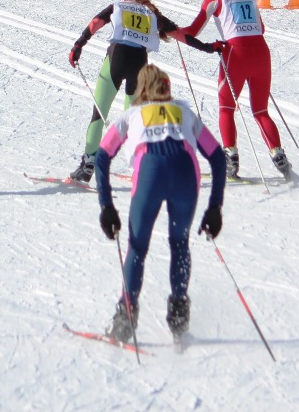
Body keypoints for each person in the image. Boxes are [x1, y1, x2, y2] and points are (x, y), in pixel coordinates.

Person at [93, 64, 227, 344]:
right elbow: (217, 156)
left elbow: (102, 156)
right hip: (185, 174)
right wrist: (215, 207)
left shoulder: (131, 114)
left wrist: (107, 206)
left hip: (150, 174)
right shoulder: (184, 112)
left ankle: (125, 319)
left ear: (140, 89)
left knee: (138, 247)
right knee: (179, 243)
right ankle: (179, 319)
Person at [65, 0, 217, 184]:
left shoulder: (118, 6)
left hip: (116, 60)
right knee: (134, 119)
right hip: (139, 64)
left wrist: (77, 46)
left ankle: (88, 164)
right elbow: (181, 35)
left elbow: (95, 24)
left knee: (99, 114)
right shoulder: (152, 13)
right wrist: (208, 48)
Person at [179, 0, 292, 179]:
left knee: (227, 108)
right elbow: (261, 28)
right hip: (261, 52)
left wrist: (171, 31)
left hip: (235, 53)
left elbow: (193, 30)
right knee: (261, 111)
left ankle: (231, 158)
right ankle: (278, 154)